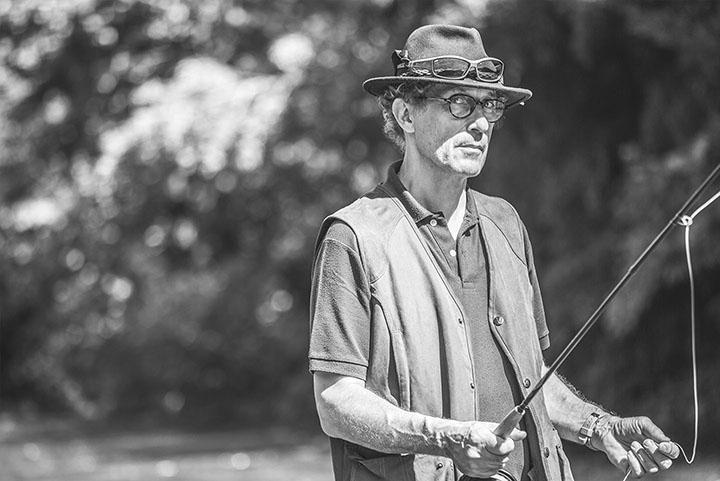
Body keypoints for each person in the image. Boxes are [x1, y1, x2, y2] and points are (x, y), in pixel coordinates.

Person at [308, 24, 679, 481]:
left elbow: (533, 374)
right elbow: (336, 403)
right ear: (405, 113)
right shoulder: (354, 235)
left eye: (489, 105)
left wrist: (596, 426)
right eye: (458, 103)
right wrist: (449, 438)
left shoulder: (506, 222)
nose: (481, 123)